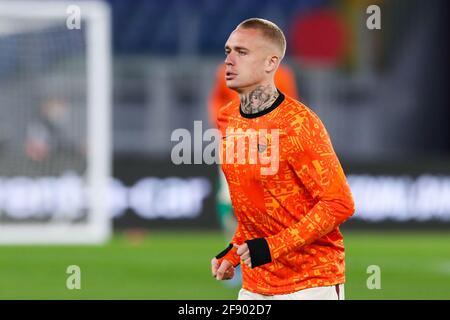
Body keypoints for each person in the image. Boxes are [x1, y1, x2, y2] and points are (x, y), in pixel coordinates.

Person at [210, 18, 355, 300]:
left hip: (311, 283)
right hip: (256, 286)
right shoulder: (228, 119)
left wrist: (270, 248)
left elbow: (339, 203)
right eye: (228, 51)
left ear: (270, 63)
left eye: (242, 52)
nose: (229, 60)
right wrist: (233, 252)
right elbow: (258, 210)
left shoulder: (300, 124)